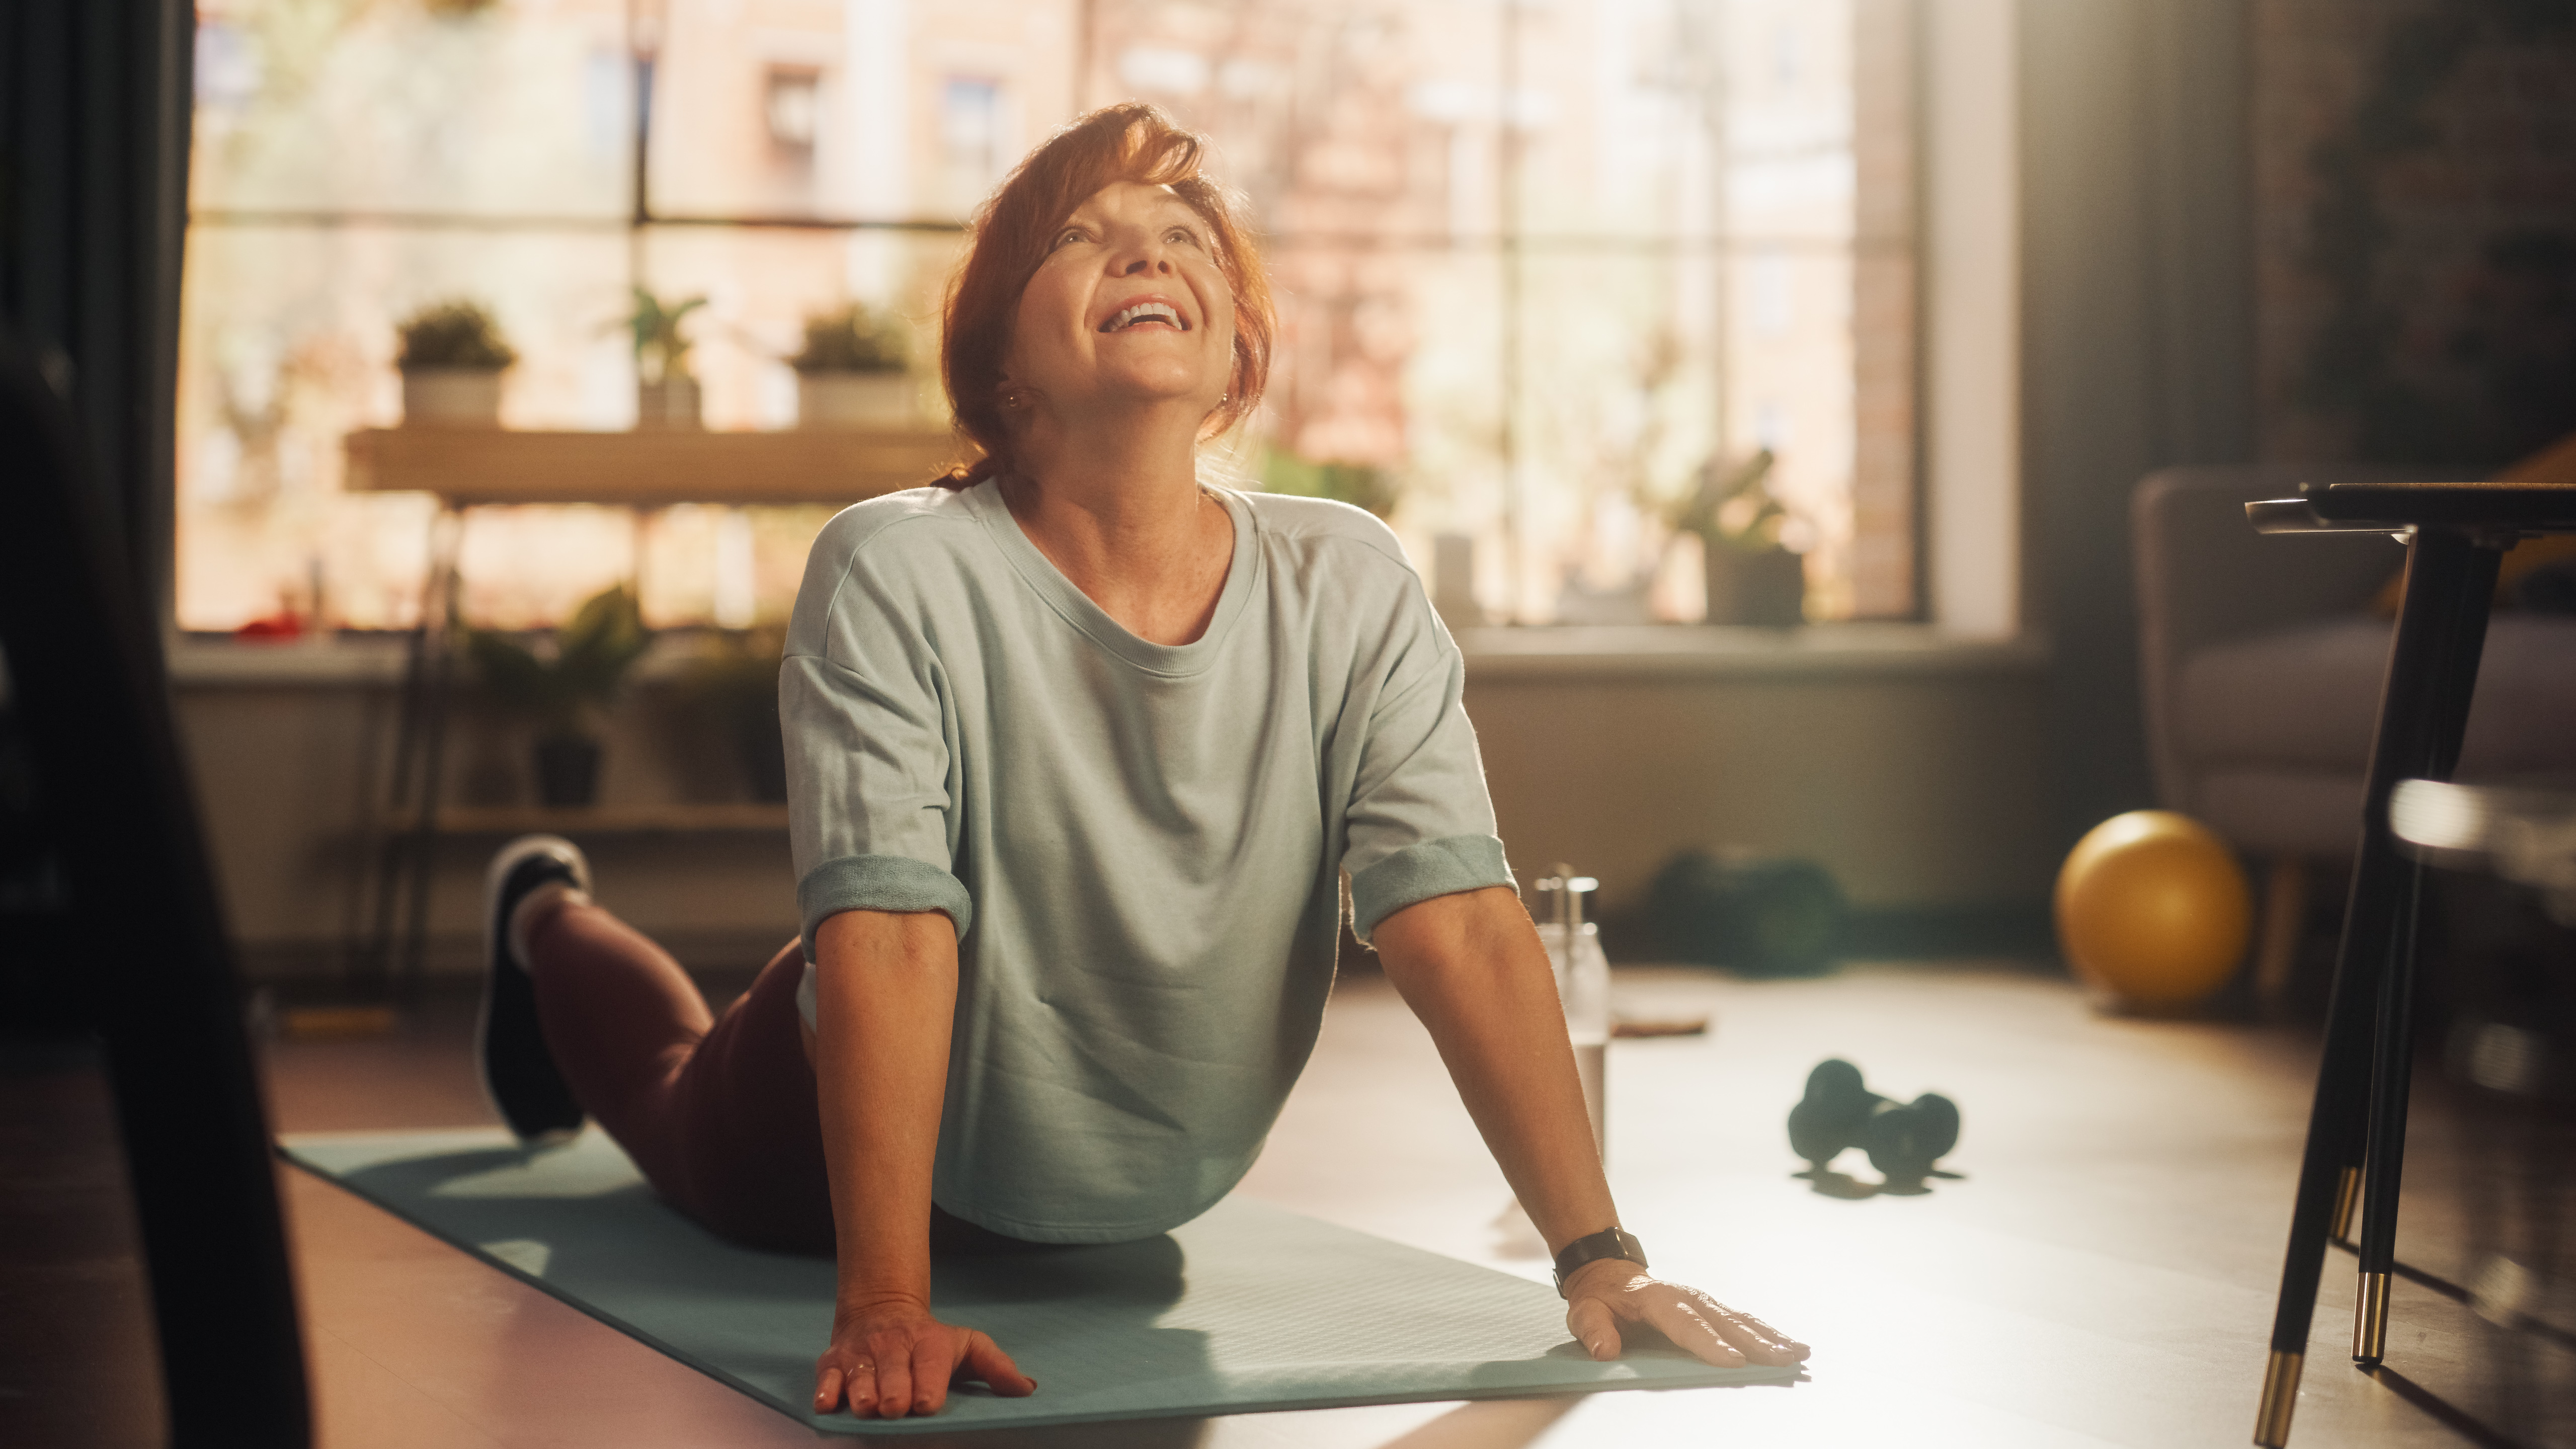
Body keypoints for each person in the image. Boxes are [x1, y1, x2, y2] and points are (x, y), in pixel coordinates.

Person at [476, 101, 1807, 1424]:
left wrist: (1600, 1259)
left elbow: (1454, 915)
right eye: (1081, 235)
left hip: (1140, 1191)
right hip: (844, 1123)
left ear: (1235, 355)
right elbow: (885, 934)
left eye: (1183, 236)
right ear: (1002, 361)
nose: (1149, 253)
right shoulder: (896, 567)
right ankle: (542, 913)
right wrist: (885, 1303)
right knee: (662, 1091)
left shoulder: (1350, 581)